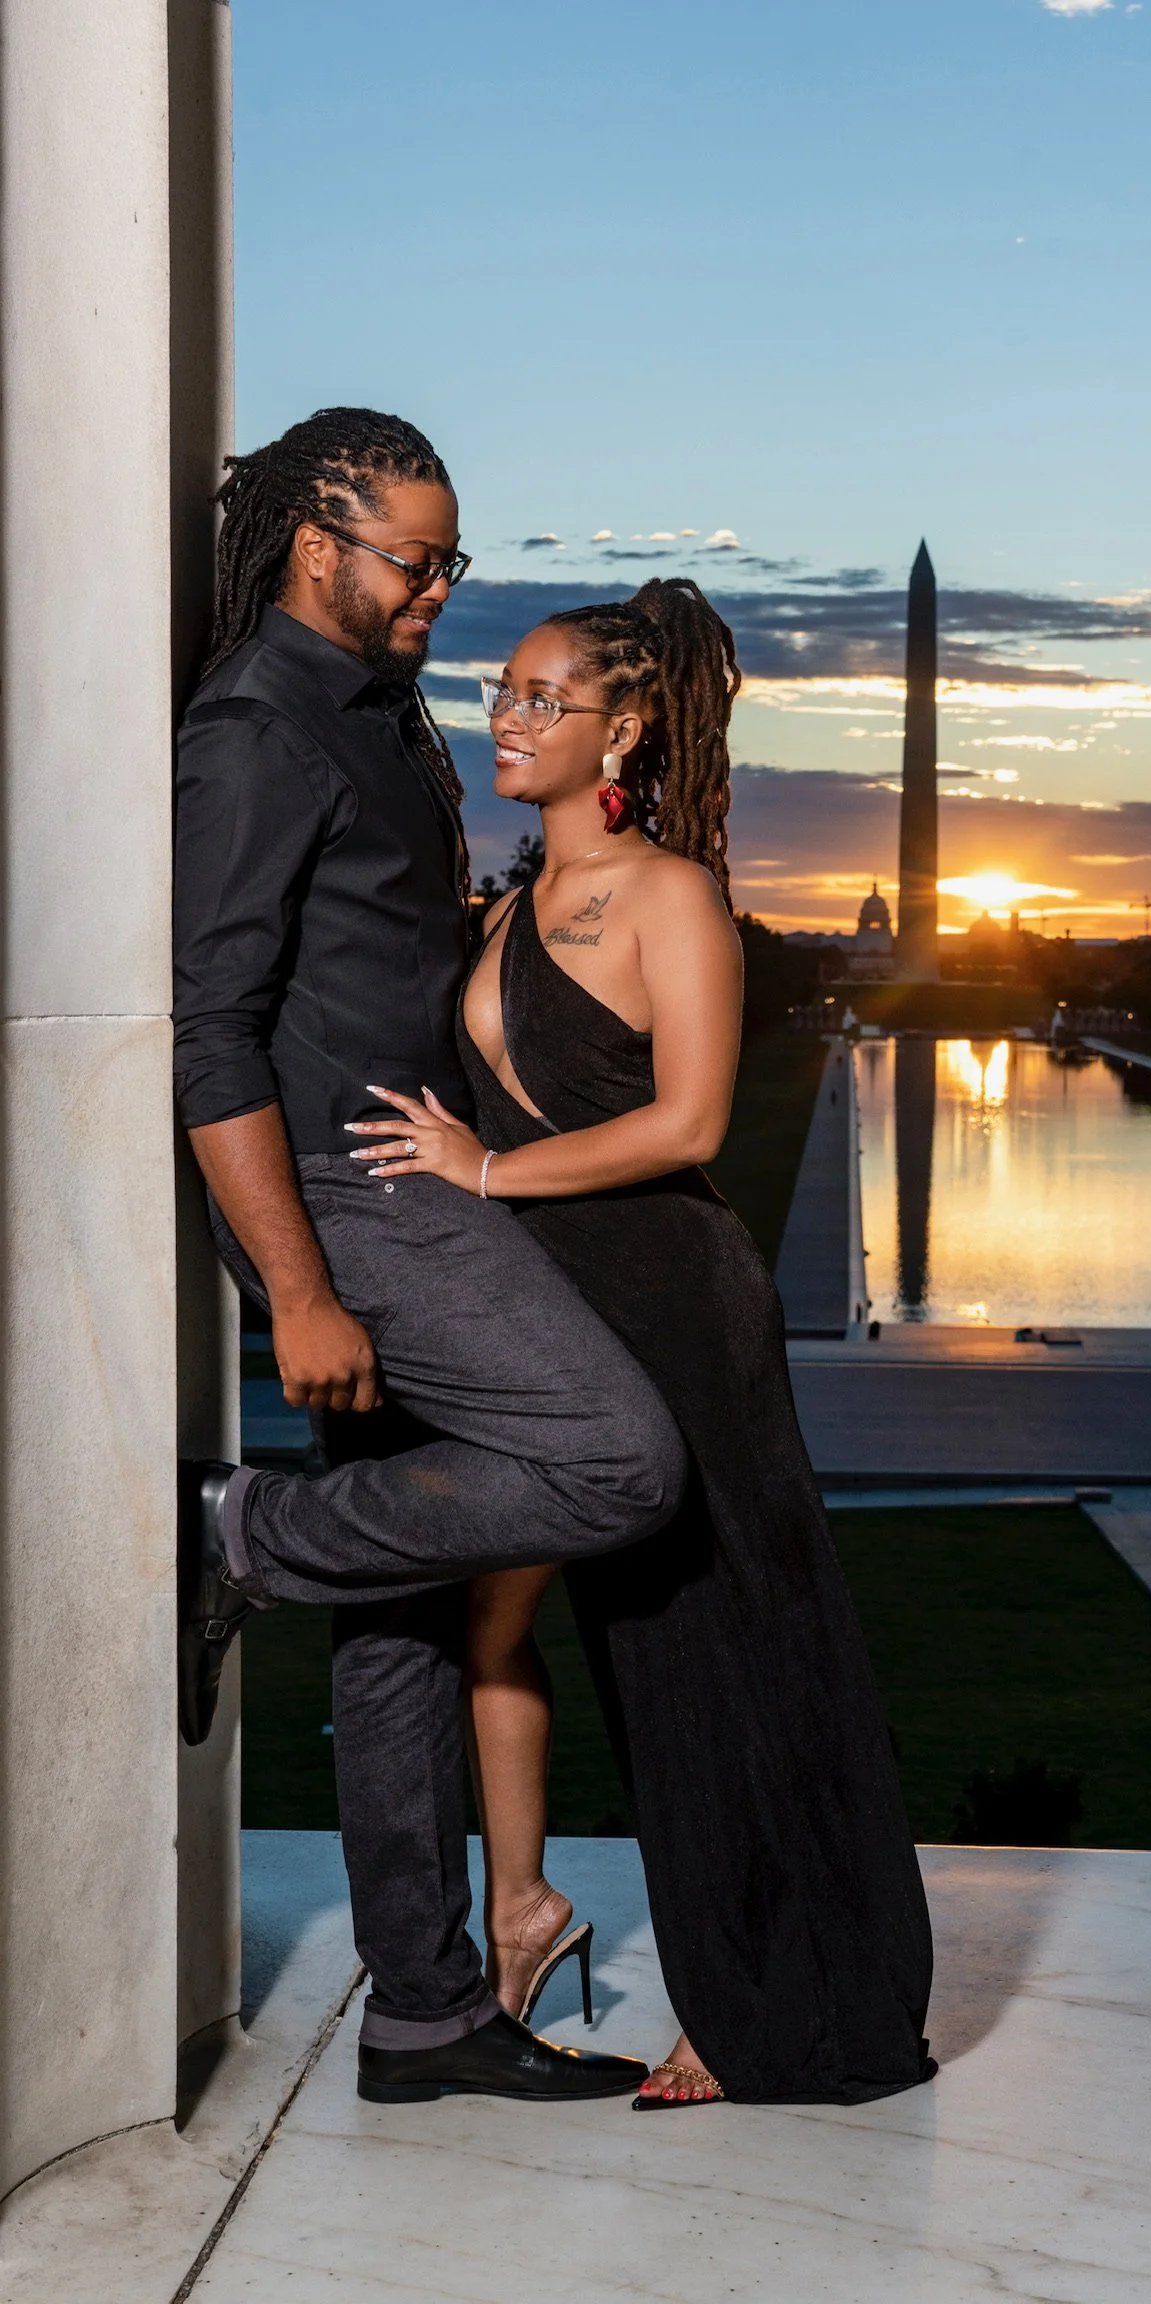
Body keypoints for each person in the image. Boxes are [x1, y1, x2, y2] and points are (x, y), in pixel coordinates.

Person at [346, 578, 936, 2108]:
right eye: (505, 693)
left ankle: (767, 2003)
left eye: (548, 699)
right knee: (489, 1620)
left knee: (715, 1649)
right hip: (534, 1309)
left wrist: (482, 1171)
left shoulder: (673, 898)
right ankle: (527, 1910)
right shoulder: (500, 908)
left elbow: (688, 1123)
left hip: (670, 1300)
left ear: (627, 725)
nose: (513, 720)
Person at [172, 408, 688, 2107]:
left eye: (452, 560)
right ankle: (246, 1531)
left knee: (394, 1622)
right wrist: (302, 1288)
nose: (442, 596)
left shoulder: (376, 708)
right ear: (318, 544)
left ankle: (422, 2012)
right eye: (415, 561)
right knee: (619, 1461)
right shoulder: (257, 730)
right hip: (351, 1193)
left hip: (422, 1173)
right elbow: (210, 1033)